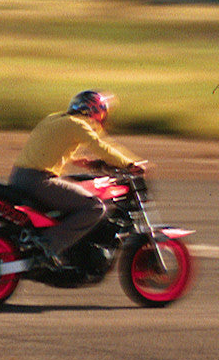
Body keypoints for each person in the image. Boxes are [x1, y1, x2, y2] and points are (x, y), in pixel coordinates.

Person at [8, 90, 146, 267]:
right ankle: (49, 245)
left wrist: (76, 160)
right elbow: (102, 148)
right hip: (38, 182)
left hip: (19, 178)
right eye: (102, 111)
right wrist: (130, 164)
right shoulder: (78, 125)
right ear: (94, 110)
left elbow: (47, 145)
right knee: (94, 207)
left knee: (75, 189)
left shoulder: (53, 118)